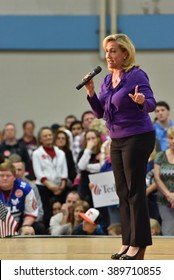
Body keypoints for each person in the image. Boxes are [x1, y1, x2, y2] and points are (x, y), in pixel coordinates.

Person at [82, 33, 156, 260]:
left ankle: (138, 244)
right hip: (117, 139)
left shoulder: (136, 75)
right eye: (107, 51)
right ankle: (127, 241)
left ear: (125, 53)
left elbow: (151, 103)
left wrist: (142, 102)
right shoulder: (107, 79)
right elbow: (100, 113)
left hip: (138, 136)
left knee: (135, 191)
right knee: (122, 192)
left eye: (113, 50)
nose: (109, 55)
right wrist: (91, 92)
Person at [32, 126, 68, 228]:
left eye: (50, 135)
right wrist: (51, 186)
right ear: (40, 139)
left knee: (60, 213)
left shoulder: (61, 153)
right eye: (45, 136)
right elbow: (38, 173)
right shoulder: (37, 153)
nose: (48, 137)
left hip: (60, 188)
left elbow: (64, 172)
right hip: (44, 188)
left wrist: (62, 185)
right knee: (47, 213)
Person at [9, 155, 47, 234]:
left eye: (19, 170)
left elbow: (39, 212)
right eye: (14, 170)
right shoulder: (3, 185)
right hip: (5, 222)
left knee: (40, 227)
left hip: (26, 221)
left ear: (24, 171)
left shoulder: (31, 187)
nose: (16, 173)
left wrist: (25, 226)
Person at [0, 158, 38, 235]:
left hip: (19, 224)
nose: (5, 178)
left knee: (38, 227)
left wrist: (24, 228)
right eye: (1, 175)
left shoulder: (25, 189)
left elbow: (31, 213)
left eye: (8, 176)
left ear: (14, 177)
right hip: (1, 225)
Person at [154, 126, 174, 235]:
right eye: (171, 138)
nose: (173, 141)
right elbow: (157, 178)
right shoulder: (160, 155)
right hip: (164, 200)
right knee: (168, 230)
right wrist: (168, 195)